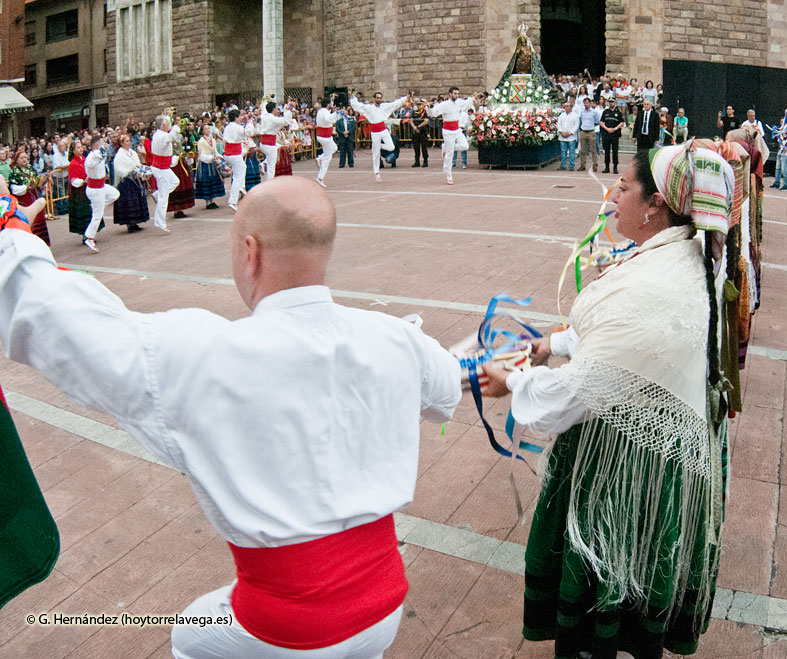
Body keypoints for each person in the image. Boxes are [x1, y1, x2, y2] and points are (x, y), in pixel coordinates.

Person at [0, 176, 462, 658]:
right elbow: (447, 387)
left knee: (188, 637)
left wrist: (10, 234)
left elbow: (57, 320)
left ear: (250, 252)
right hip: (384, 603)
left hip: (286, 626)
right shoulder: (396, 338)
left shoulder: (203, 352)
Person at [481, 146, 732, 658]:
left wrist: (514, 382)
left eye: (623, 186)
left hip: (628, 461)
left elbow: (573, 394)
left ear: (656, 203)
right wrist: (554, 343)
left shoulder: (656, 283)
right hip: (655, 447)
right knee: (634, 570)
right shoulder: (683, 254)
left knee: (610, 570)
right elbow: (626, 338)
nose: (612, 196)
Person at [349, 91, 411, 182]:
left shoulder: (384, 106)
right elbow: (358, 106)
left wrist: (406, 98)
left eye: (380, 98)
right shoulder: (369, 108)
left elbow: (395, 104)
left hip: (383, 130)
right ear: (375, 98)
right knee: (376, 154)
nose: (379, 99)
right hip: (374, 132)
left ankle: (378, 146)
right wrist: (352, 98)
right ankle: (377, 173)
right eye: (377, 98)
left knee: (391, 147)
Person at [427, 87, 476, 185]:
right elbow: (433, 113)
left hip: (457, 129)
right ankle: (449, 174)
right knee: (449, 154)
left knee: (465, 146)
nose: (456, 95)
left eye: (457, 93)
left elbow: (467, 103)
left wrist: (473, 99)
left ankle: (446, 147)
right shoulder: (444, 105)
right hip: (448, 131)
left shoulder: (459, 102)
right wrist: (429, 107)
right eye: (455, 93)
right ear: (450, 94)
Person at [82, 135, 120, 253]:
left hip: (101, 186)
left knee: (115, 194)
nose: (104, 145)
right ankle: (89, 237)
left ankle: (98, 206)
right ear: (97, 145)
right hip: (95, 189)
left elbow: (102, 156)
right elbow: (96, 158)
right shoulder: (92, 157)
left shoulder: (98, 154)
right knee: (97, 215)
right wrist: (102, 150)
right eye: (102, 143)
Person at [113, 129, 151, 232]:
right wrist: (128, 171)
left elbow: (138, 164)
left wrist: (141, 170)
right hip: (126, 182)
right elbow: (118, 169)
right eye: (126, 141)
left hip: (135, 180)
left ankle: (136, 222)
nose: (129, 143)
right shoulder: (119, 155)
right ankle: (130, 224)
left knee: (136, 201)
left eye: (129, 141)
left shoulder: (133, 153)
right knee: (129, 202)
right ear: (121, 143)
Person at [8, 150, 49, 246]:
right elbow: (13, 188)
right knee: (29, 218)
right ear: (17, 160)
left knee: (39, 216)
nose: (24, 160)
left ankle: (42, 243)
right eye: (21, 158)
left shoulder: (30, 168)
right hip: (23, 199)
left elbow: (37, 178)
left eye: (25, 157)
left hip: (34, 195)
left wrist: (40, 182)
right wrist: (26, 187)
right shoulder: (15, 172)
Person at [149, 114, 182, 233]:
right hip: (161, 168)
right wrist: (177, 126)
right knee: (164, 197)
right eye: (168, 123)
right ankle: (160, 222)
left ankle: (157, 194)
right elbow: (172, 136)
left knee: (175, 182)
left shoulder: (160, 135)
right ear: (163, 125)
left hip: (163, 167)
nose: (169, 125)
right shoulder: (161, 136)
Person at [222, 109, 254, 211]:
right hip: (234, 154)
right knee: (237, 177)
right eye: (239, 116)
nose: (241, 118)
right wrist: (249, 122)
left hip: (229, 153)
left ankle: (241, 186)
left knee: (242, 168)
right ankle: (233, 201)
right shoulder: (237, 127)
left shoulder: (227, 127)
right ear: (236, 118)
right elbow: (248, 132)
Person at [259, 101, 292, 182]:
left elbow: (263, 107)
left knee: (277, 150)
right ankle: (269, 184)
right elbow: (286, 122)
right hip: (270, 144)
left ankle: (264, 163)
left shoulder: (264, 115)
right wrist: (287, 110)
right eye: (276, 109)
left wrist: (266, 99)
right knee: (271, 167)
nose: (278, 110)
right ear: (273, 110)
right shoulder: (273, 119)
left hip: (263, 143)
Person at [194, 123, 225, 211]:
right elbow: (201, 155)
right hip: (205, 163)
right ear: (202, 131)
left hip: (212, 163)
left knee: (212, 181)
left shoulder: (213, 140)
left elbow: (215, 151)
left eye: (208, 128)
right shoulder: (201, 141)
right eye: (205, 129)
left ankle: (212, 201)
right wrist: (211, 158)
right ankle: (208, 202)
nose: (207, 130)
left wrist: (219, 157)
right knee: (206, 182)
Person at [67, 141, 93, 242]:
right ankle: (85, 234)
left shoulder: (85, 160)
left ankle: (91, 232)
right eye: (78, 147)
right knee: (82, 212)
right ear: (74, 151)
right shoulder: (73, 163)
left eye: (81, 147)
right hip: (79, 191)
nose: (81, 149)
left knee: (90, 210)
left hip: (88, 188)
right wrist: (82, 181)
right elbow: (73, 180)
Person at [314, 98, 340, 186]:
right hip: (325, 137)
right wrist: (336, 113)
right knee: (328, 157)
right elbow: (328, 120)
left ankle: (320, 157)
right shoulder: (324, 112)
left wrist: (335, 113)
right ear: (328, 104)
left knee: (334, 148)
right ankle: (320, 177)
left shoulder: (320, 111)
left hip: (324, 136)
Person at [600, 97, 625, 174]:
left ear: (615, 103)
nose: (611, 103)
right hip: (606, 133)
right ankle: (607, 167)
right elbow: (601, 122)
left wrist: (615, 128)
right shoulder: (605, 112)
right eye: (610, 102)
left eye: (612, 102)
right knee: (606, 151)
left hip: (615, 134)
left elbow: (622, 122)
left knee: (615, 151)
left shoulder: (618, 112)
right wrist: (607, 129)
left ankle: (615, 167)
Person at [578, 97, 600, 172]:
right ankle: (582, 165)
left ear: (590, 103)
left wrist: (591, 125)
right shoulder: (582, 112)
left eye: (587, 103)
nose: (585, 104)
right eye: (584, 103)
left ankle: (595, 164)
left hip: (591, 131)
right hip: (583, 131)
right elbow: (580, 121)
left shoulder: (594, 112)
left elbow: (597, 122)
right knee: (583, 150)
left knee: (593, 149)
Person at [557, 101, 579, 170]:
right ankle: (563, 165)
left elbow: (576, 126)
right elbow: (558, 124)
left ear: (571, 107)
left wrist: (570, 133)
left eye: (567, 106)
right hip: (562, 136)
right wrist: (561, 132)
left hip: (571, 137)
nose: (565, 108)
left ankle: (571, 165)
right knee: (563, 151)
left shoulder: (575, 115)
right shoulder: (561, 115)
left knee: (572, 152)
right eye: (565, 106)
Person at [410, 99, 430, 168]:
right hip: (415, 132)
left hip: (423, 131)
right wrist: (414, 127)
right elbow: (411, 120)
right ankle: (417, 161)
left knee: (424, 147)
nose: (419, 106)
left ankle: (425, 161)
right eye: (418, 105)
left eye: (420, 105)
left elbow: (426, 121)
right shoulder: (414, 112)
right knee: (416, 147)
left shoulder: (425, 112)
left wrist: (418, 127)